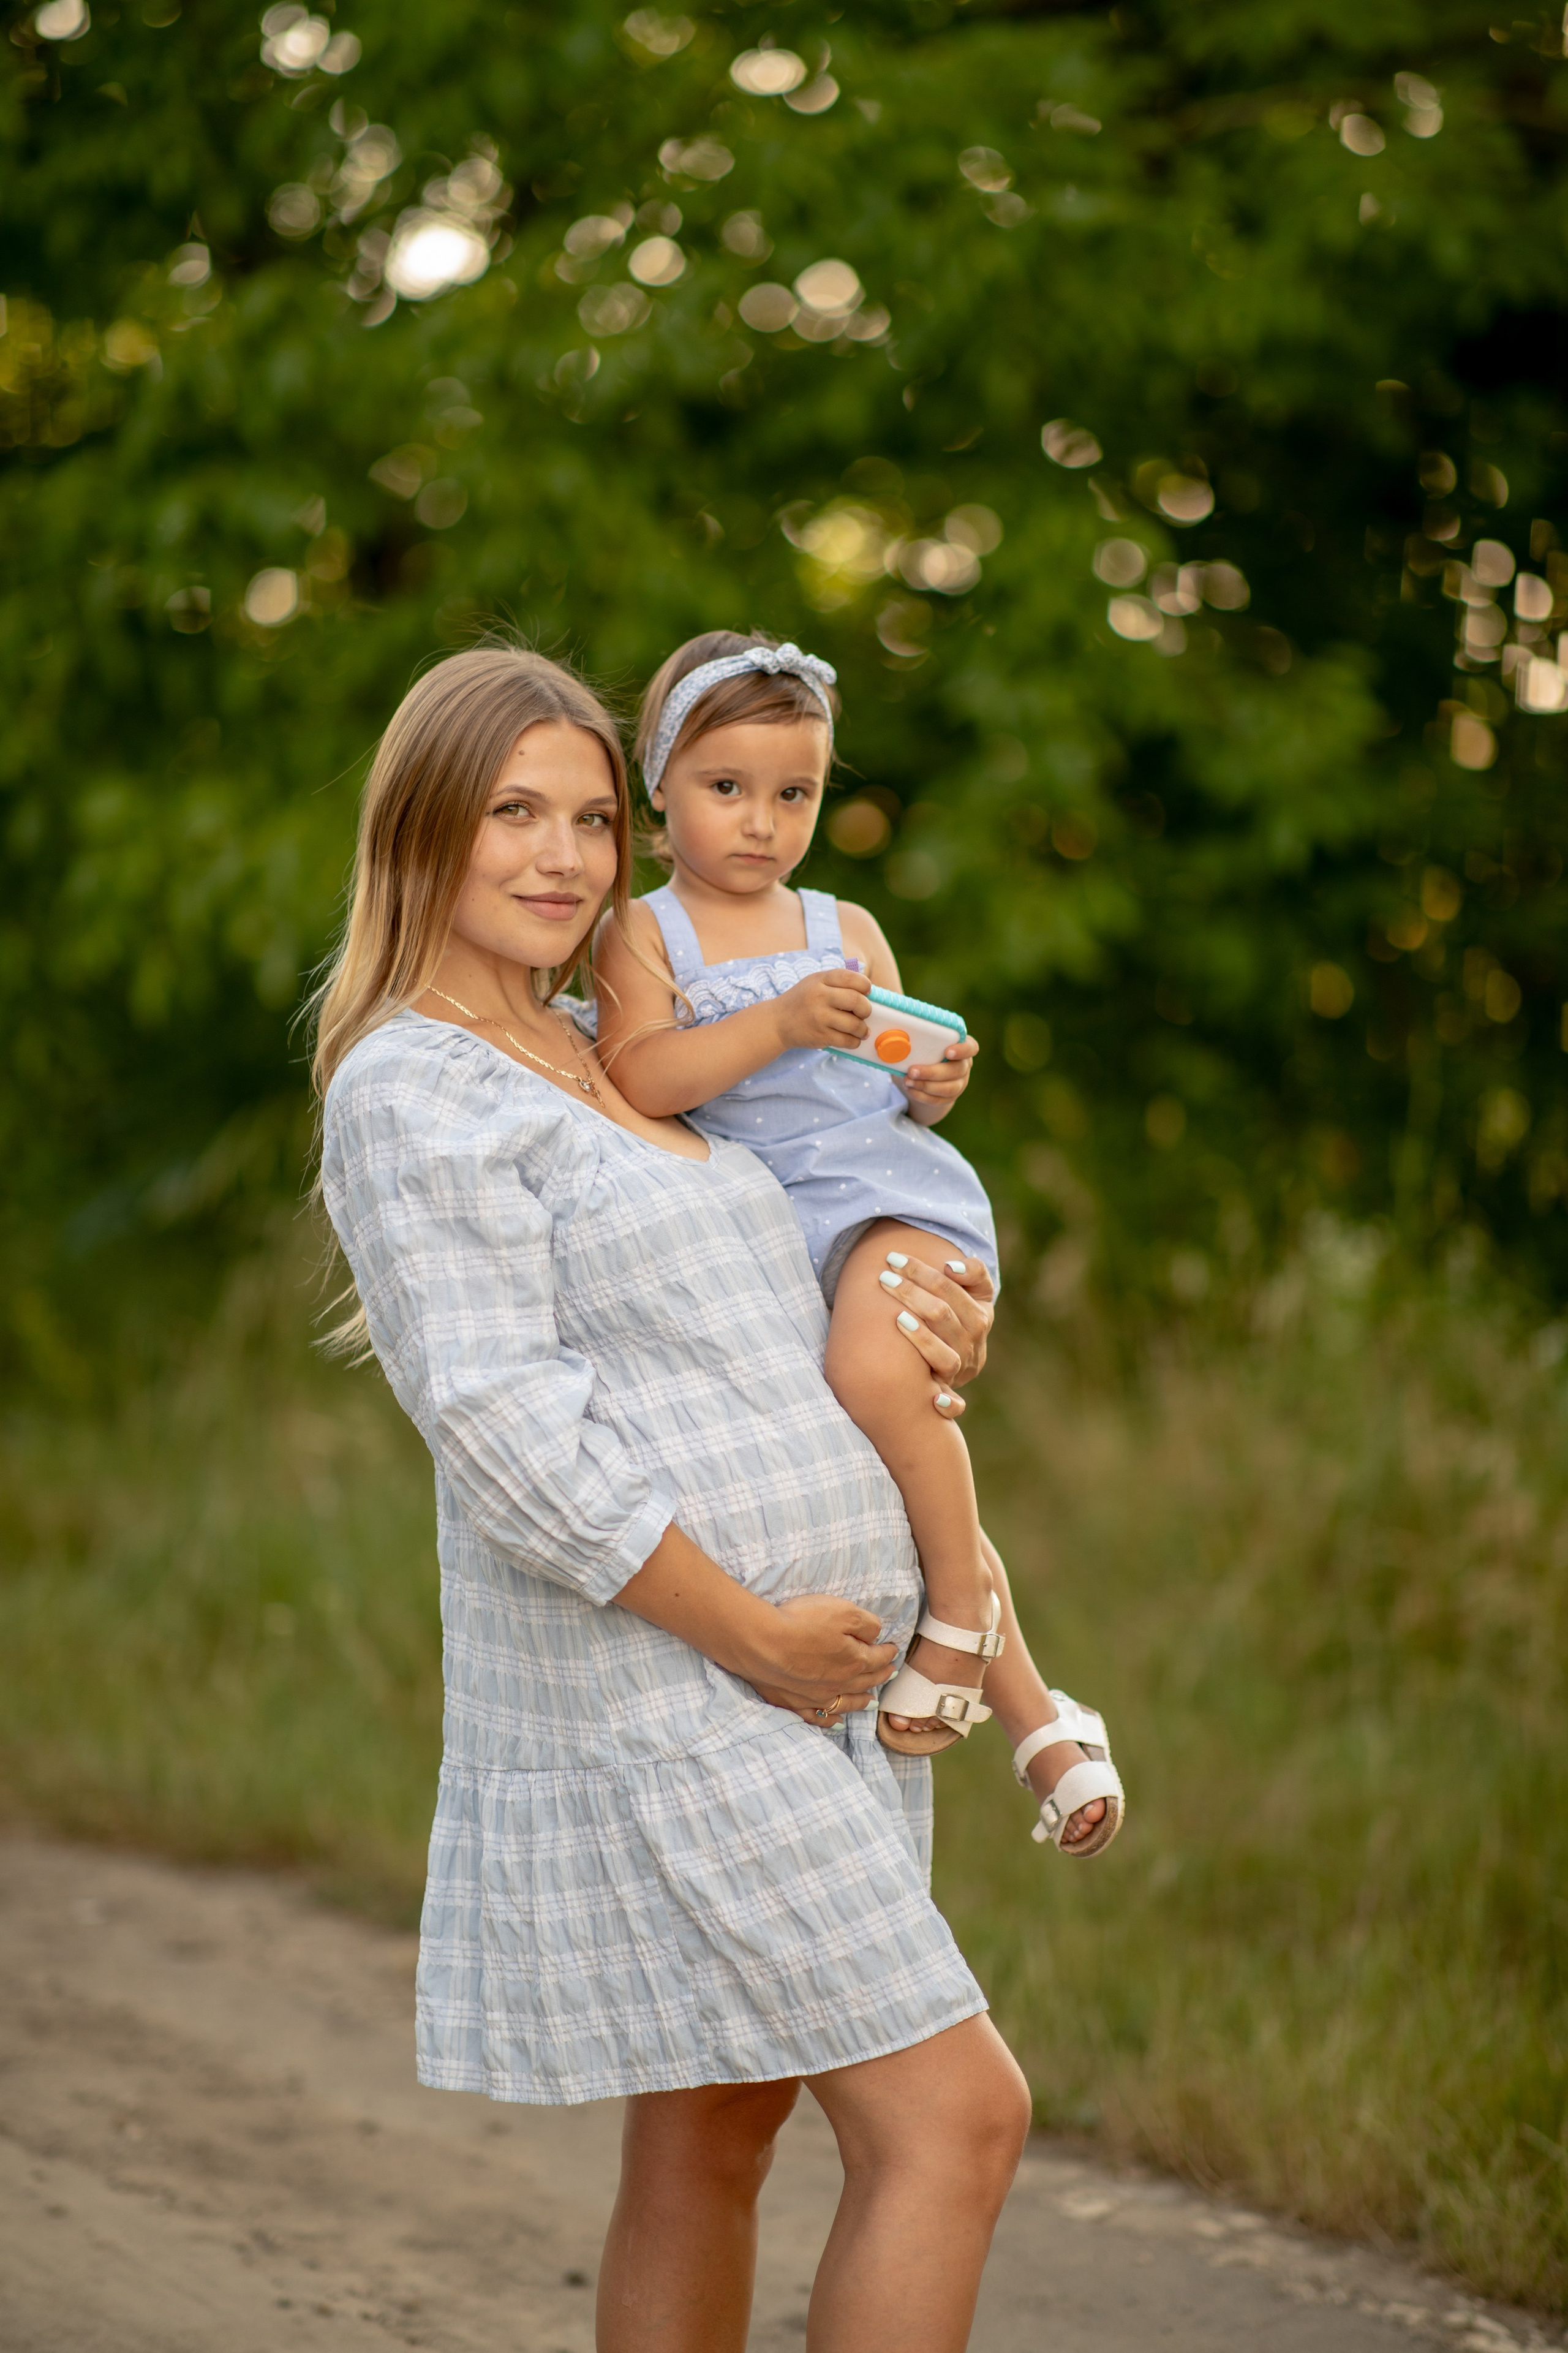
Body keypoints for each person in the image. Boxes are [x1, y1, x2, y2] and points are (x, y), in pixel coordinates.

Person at [313, 643, 1033, 2352]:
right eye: (513, 814)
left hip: (814, 1688)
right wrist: (754, 1636)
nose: (562, 858)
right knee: (957, 2118)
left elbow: (804, 1262)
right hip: (680, 1683)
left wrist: (934, 1304)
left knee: (716, 2127)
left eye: (587, 820)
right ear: (422, 828)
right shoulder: (414, 1085)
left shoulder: (608, 1043)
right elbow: (504, 1429)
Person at [595, 632, 1123, 1854]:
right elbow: (641, 1074)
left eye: (795, 794)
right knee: (883, 1463)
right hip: (777, 1244)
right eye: (727, 787)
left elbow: (892, 1099)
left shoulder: (845, 926)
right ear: (659, 784)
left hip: (887, 1202)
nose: (762, 822)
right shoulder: (644, 934)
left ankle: (958, 1623)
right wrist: (778, 1023)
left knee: (879, 1382)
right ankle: (1041, 1721)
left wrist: (935, 1083)